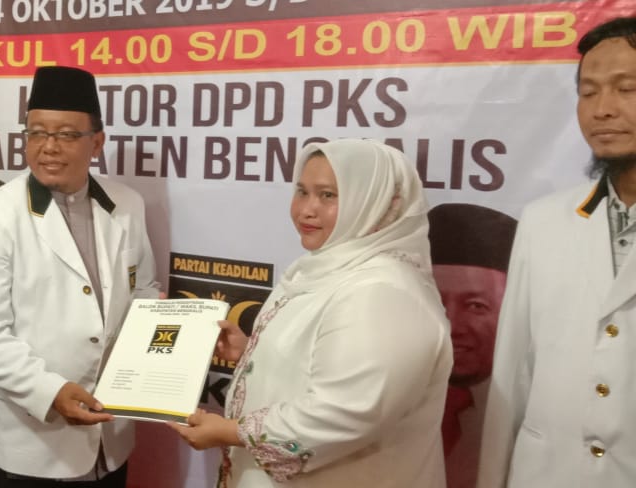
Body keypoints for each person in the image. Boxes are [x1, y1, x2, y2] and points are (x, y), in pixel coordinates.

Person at [168, 138, 452, 488]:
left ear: (374, 202)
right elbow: (330, 364)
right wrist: (254, 353)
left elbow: (348, 410)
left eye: (328, 195)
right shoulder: (329, 267)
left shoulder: (384, 292)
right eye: (302, 191)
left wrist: (231, 432)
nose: (306, 209)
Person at [0, 65, 161, 487]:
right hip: (33, 444)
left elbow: (144, 288)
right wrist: (49, 392)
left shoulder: (127, 204)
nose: (48, 147)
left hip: (112, 437)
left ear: (96, 142)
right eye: (36, 133)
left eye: (67, 135)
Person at [477, 17, 636, 487]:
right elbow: (513, 374)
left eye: (627, 89)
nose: (602, 110)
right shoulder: (543, 220)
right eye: (588, 92)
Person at [427, 203, 517, 488]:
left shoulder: (533, 407)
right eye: (436, 301)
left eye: (476, 306)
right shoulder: (384, 395)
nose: (451, 324)